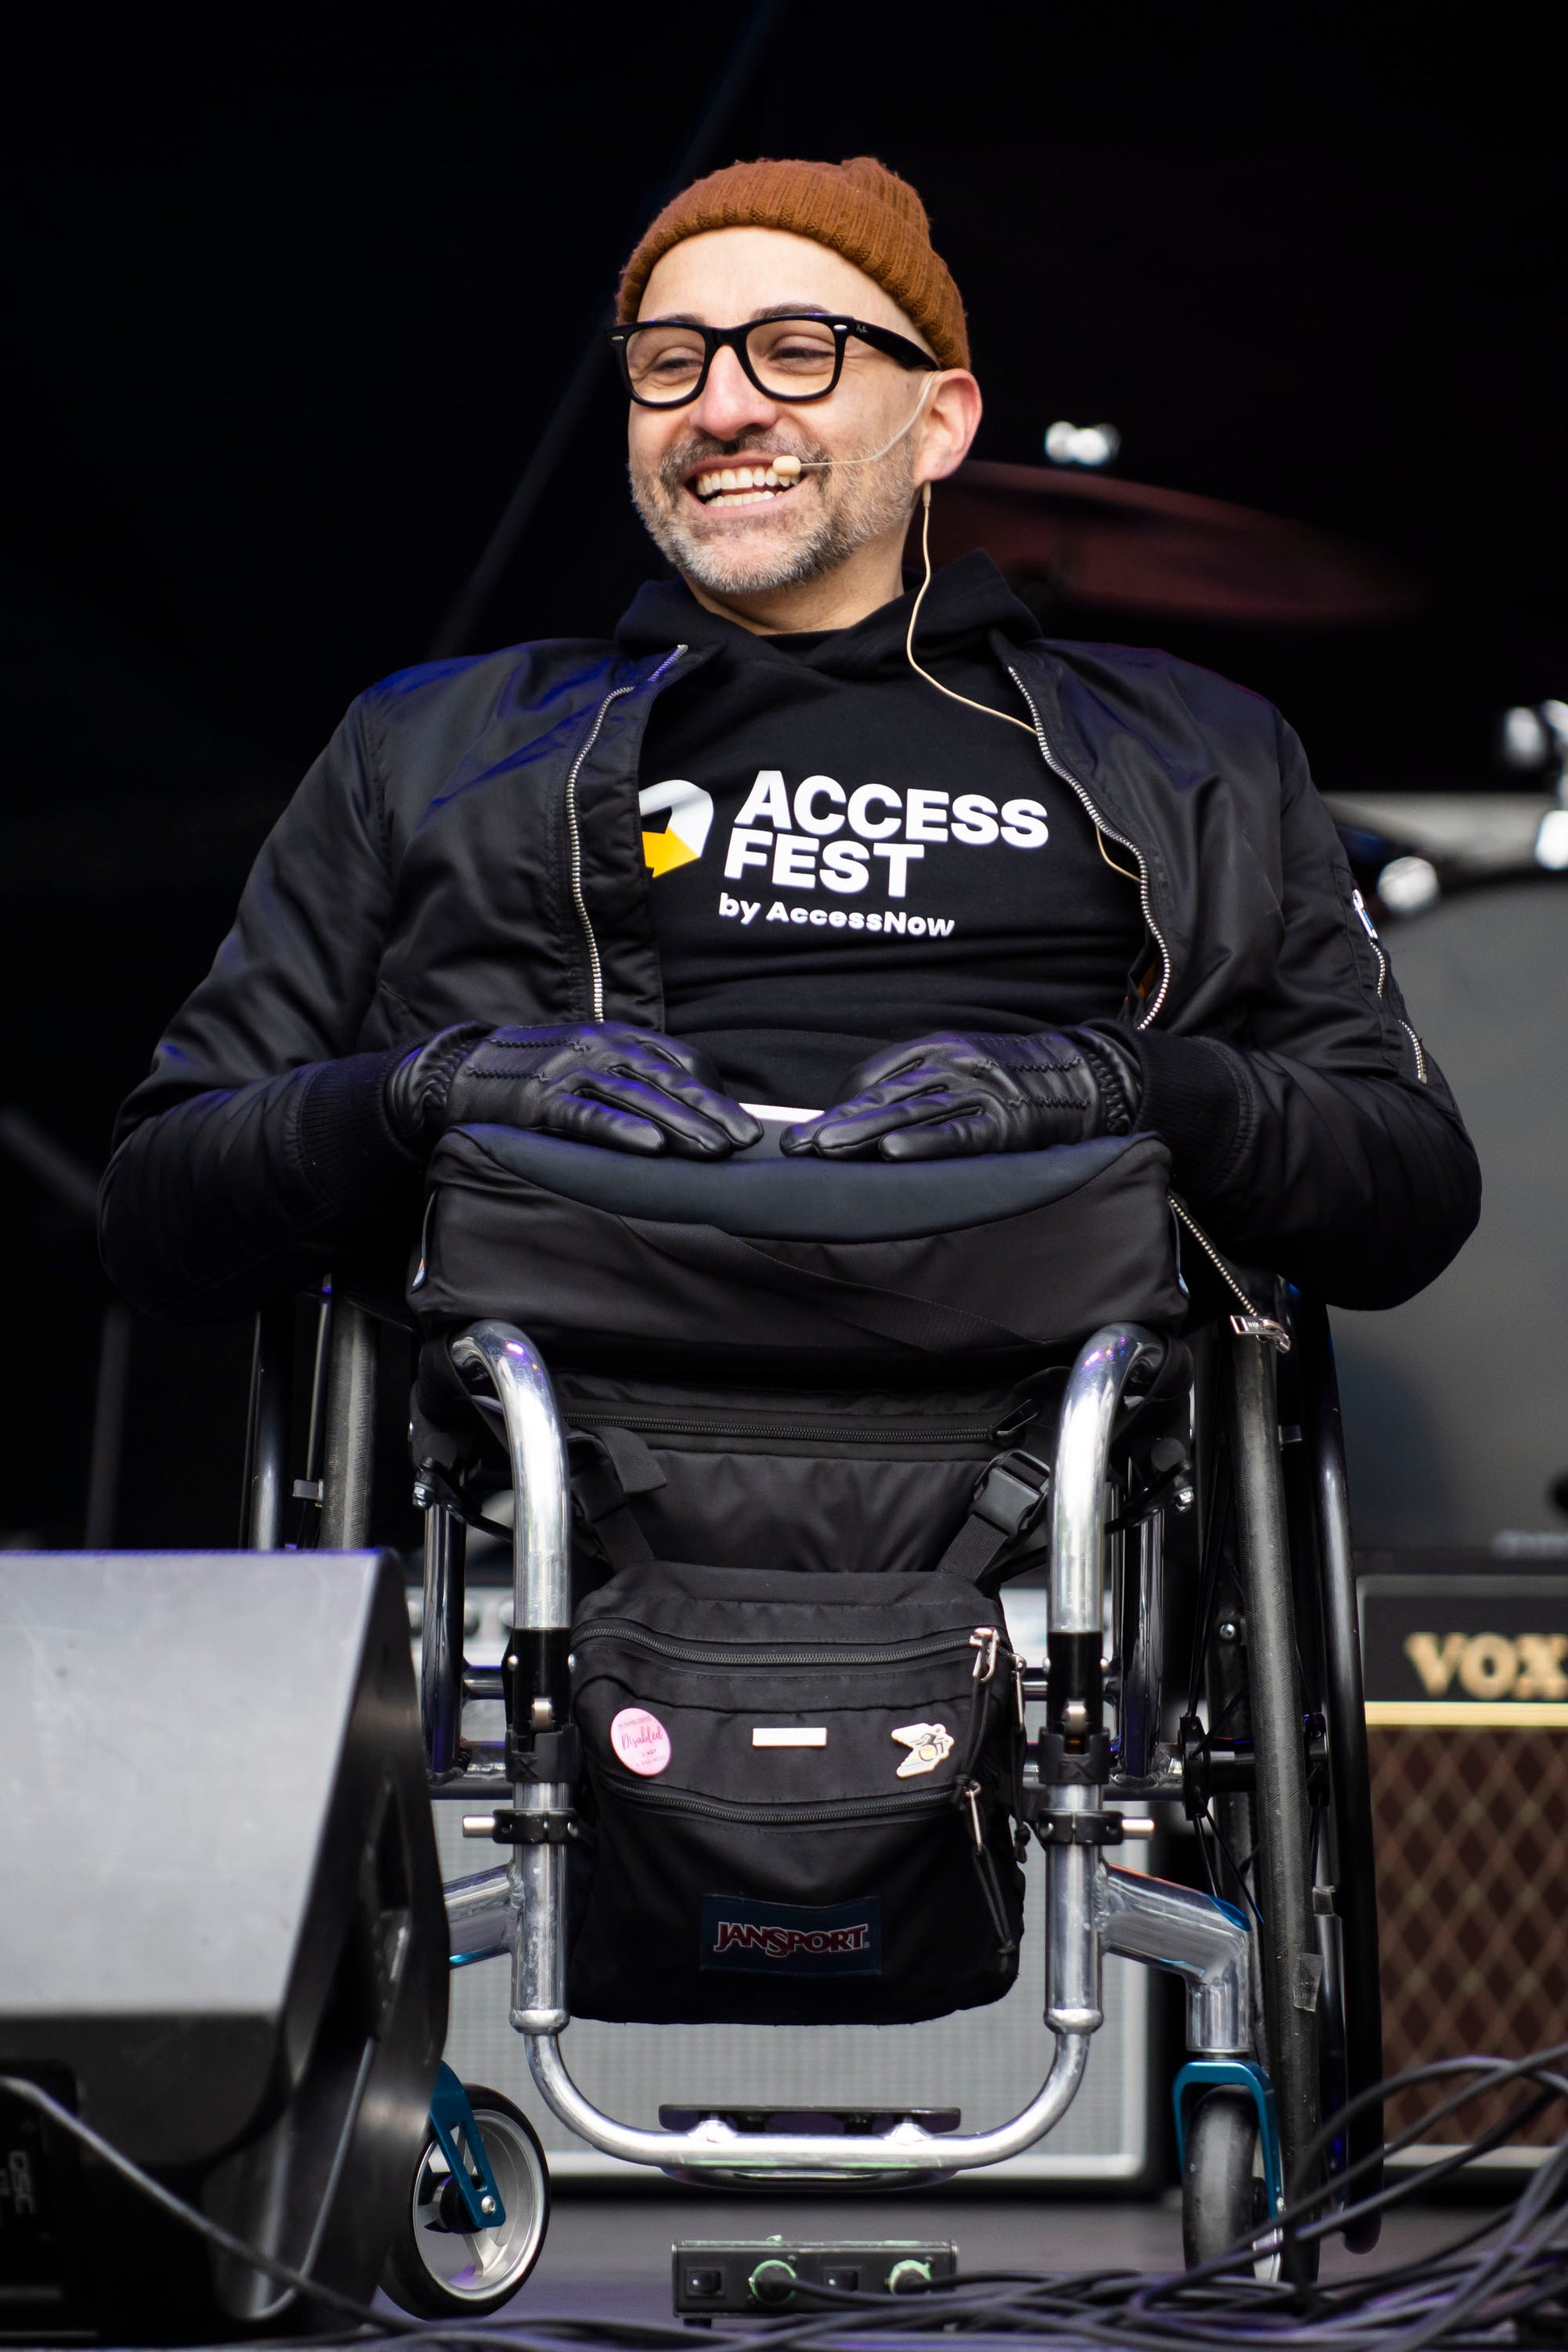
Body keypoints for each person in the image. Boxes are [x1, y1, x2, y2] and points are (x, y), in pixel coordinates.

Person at [100, 156, 1479, 1322]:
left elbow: (1405, 1195)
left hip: (1056, 1459)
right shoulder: (429, 738)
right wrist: (430, 1088)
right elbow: (161, 1203)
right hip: (548, 1453)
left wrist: (1128, 1083)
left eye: (798, 350)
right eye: (668, 360)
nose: (720, 407)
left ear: (938, 420)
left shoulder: (1197, 746)